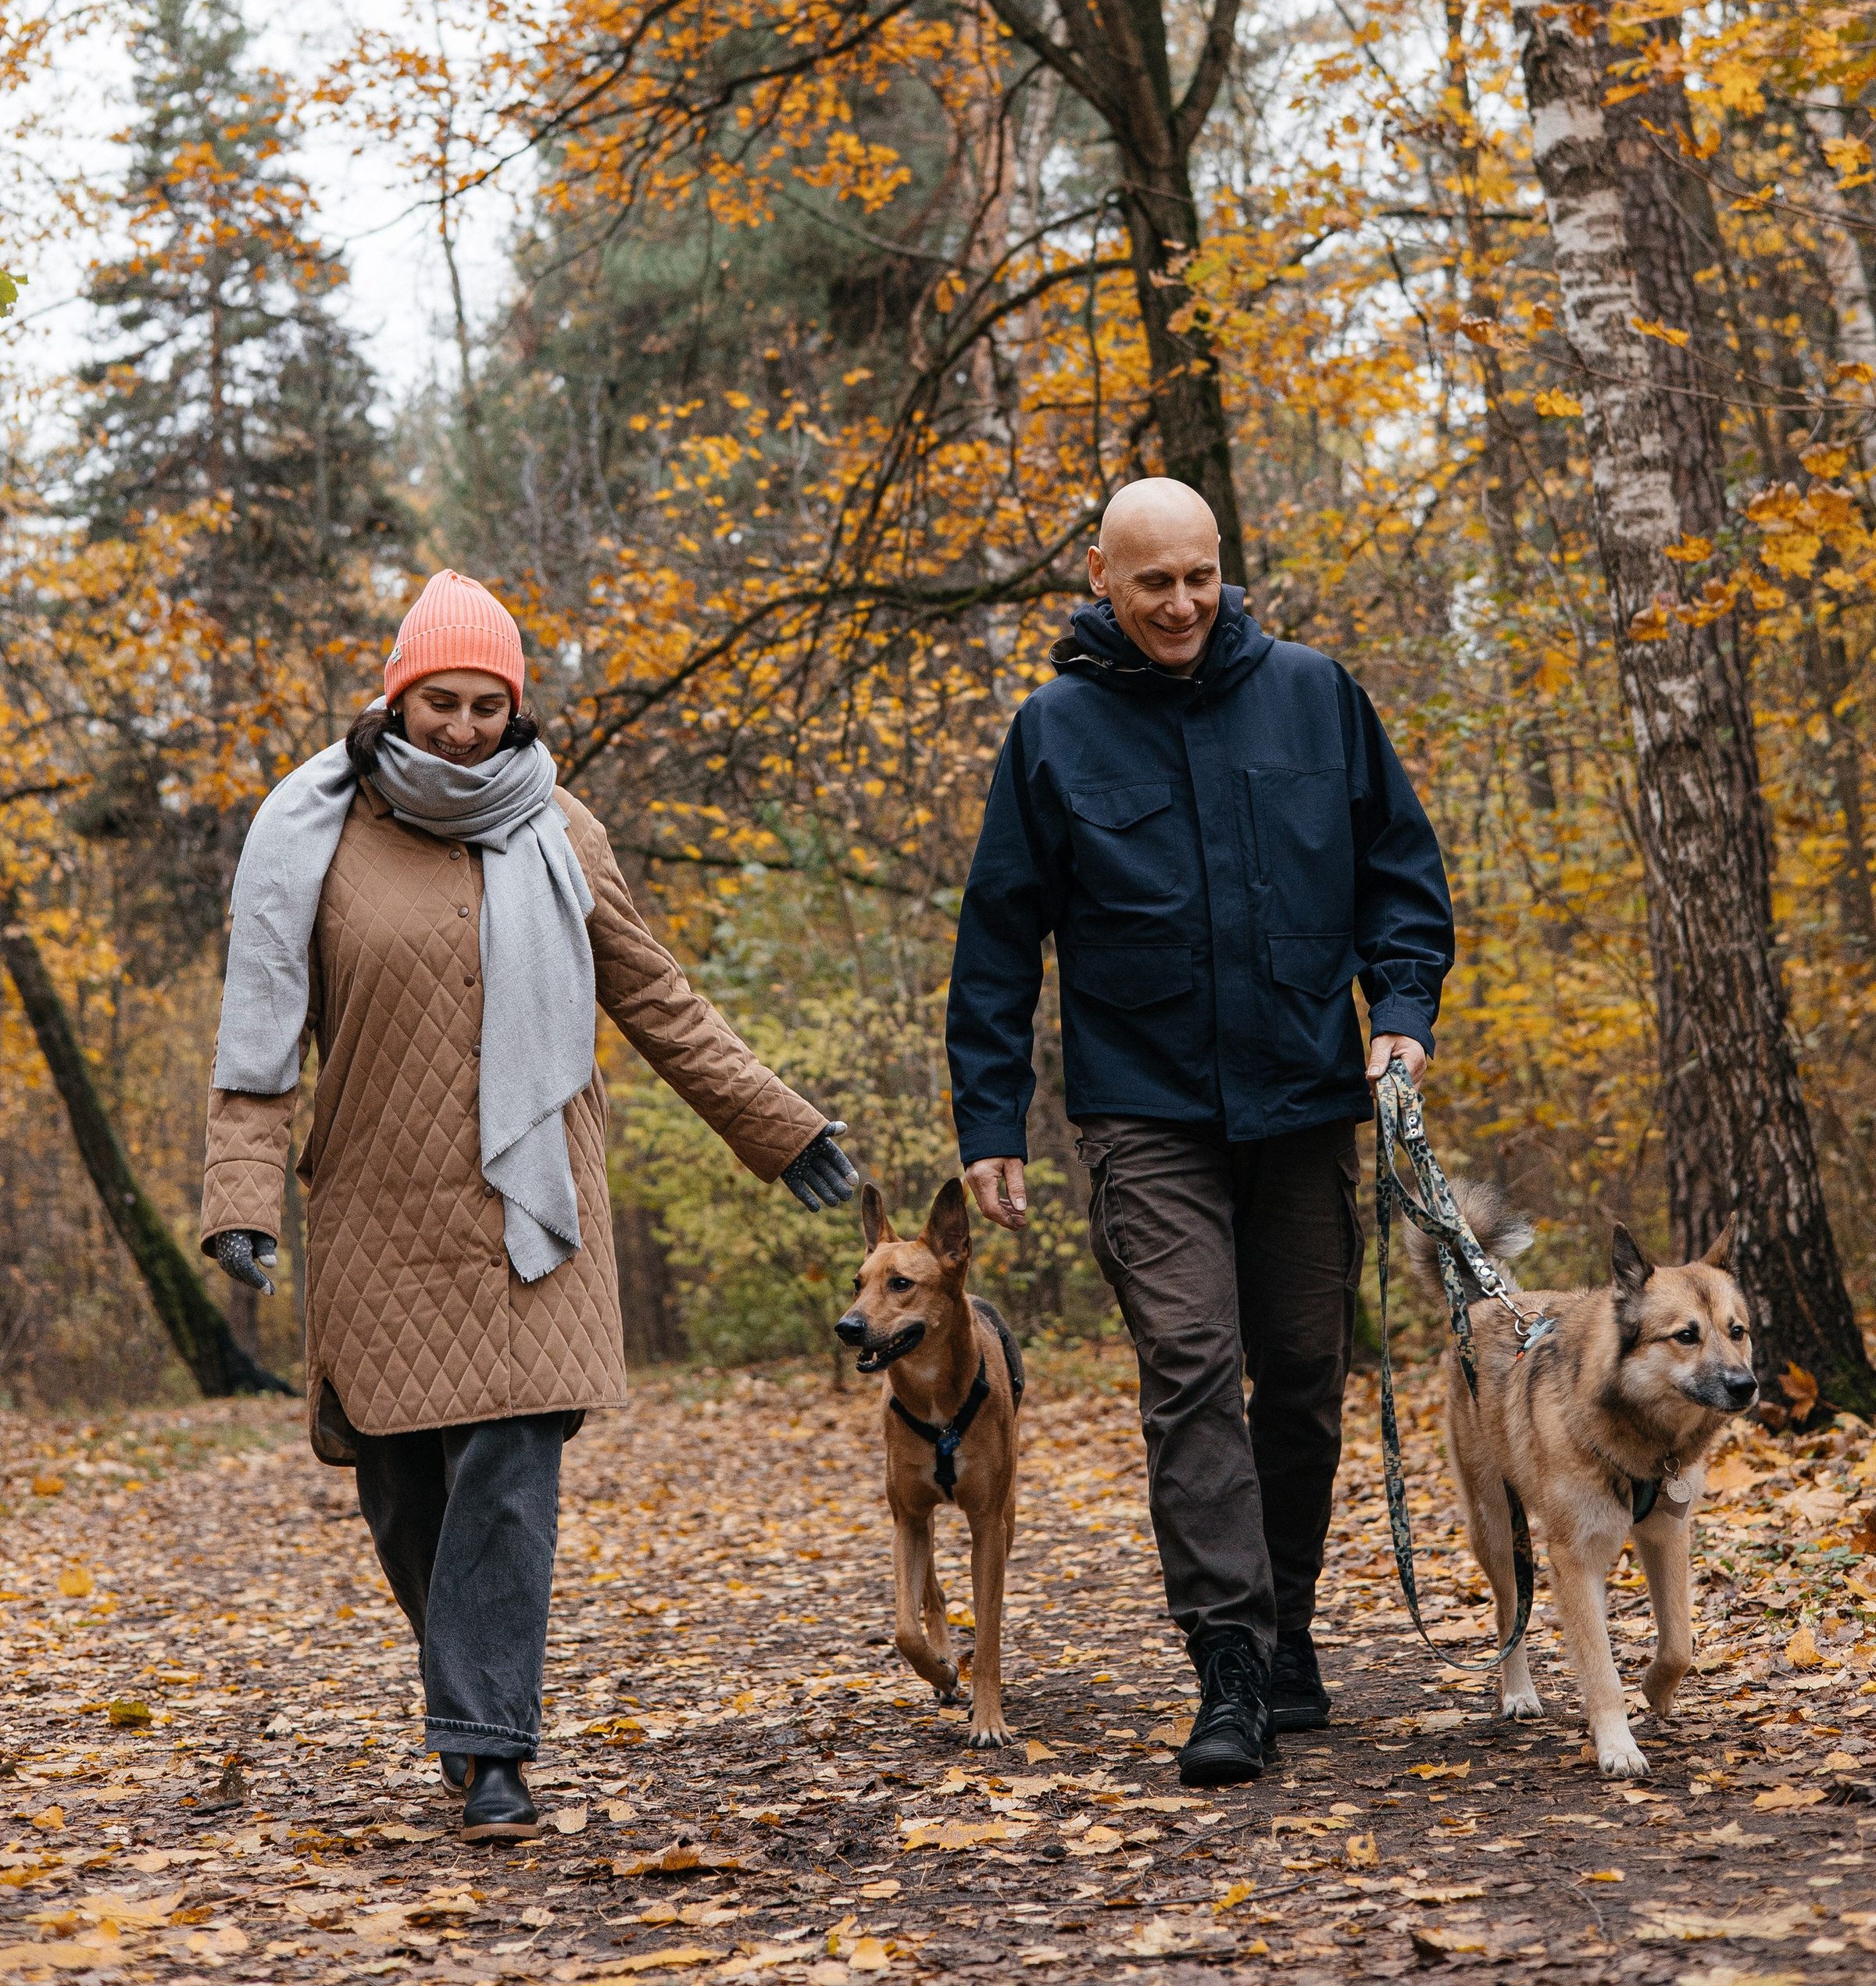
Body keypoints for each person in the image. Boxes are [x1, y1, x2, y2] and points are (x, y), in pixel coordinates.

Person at [202, 569, 859, 1840]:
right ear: (397, 699)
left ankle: (491, 1746)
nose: (460, 727)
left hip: (533, 1209)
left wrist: (780, 1128)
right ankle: (473, 1691)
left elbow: (659, 998)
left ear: (517, 706)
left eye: (485, 704)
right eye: (437, 701)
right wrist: (245, 1197)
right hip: (379, 1214)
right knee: (403, 1492)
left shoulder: (564, 831)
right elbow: (263, 1040)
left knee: (506, 1474)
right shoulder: (313, 840)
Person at [946, 480, 1453, 1784]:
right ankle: (1228, 1660)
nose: (1180, 604)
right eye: (1152, 582)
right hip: (1145, 1109)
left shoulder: (1316, 694)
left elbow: (1401, 873)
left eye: (1199, 577)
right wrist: (989, 1120)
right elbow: (1000, 940)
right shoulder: (1053, 733)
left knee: (1298, 1373)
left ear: (1224, 570)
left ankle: (1286, 1631)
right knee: (1189, 1367)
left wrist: (1399, 1009)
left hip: (1302, 1098)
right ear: (1104, 585)